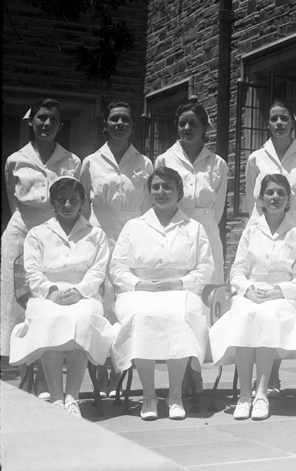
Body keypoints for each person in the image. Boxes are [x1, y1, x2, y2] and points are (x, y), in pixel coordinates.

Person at [110, 167, 214, 421]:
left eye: (167, 187)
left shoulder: (194, 227)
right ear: (149, 191)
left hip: (181, 290)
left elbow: (206, 267)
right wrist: (139, 284)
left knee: (178, 316)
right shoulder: (134, 226)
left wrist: (180, 282)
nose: (161, 192)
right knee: (142, 315)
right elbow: (117, 267)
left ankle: (175, 395)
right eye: (155, 187)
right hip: (139, 291)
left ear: (179, 192)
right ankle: (149, 396)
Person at [209, 174, 296, 420]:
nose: (275, 197)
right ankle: (245, 395)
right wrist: (247, 290)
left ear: (288, 200)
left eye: (281, 193)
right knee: (245, 314)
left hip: (281, 296)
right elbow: (237, 270)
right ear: (261, 199)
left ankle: (262, 392)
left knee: (266, 316)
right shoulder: (251, 231)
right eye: (270, 193)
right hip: (251, 292)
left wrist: (279, 291)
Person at [9, 177, 114, 417]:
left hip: (84, 294)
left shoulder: (95, 234)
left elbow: (98, 269)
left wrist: (79, 291)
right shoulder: (37, 233)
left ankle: (72, 397)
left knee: (82, 319)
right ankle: (57, 397)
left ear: (82, 202)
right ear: (53, 202)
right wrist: (51, 291)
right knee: (48, 318)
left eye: (73, 200)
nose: (67, 204)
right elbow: (32, 270)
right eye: (61, 199)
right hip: (46, 294)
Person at [1, 98, 81, 399]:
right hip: (20, 233)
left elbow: (71, 199)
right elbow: (12, 198)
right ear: (31, 122)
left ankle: (48, 380)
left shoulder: (72, 161)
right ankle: (24, 375)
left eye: (53, 120)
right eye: (41, 118)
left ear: (61, 125)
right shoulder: (14, 159)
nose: (46, 124)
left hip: (53, 234)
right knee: (16, 306)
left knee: (48, 301)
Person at [80, 101, 153, 397]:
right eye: (114, 120)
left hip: (133, 237)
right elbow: (83, 204)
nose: (119, 124)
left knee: (127, 304)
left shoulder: (145, 164)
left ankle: (120, 374)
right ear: (105, 125)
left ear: (133, 126)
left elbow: (148, 206)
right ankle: (99, 371)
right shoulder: (90, 162)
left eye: (125, 119)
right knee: (102, 303)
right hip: (100, 236)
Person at [244, 100, 296, 396]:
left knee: (283, 302)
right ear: (268, 123)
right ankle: (256, 375)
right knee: (255, 301)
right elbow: (252, 198)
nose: (279, 123)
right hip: (261, 227)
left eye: (284, 118)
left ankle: (271, 374)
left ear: (293, 122)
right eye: (274, 118)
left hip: (291, 229)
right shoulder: (256, 158)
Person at [155, 101, 227, 284]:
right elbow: (157, 201)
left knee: (208, 286)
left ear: (204, 128)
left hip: (207, 232)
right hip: (174, 231)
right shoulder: (165, 160)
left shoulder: (218, 163)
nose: (187, 128)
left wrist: (204, 223)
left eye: (193, 124)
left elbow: (218, 208)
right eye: (182, 123)